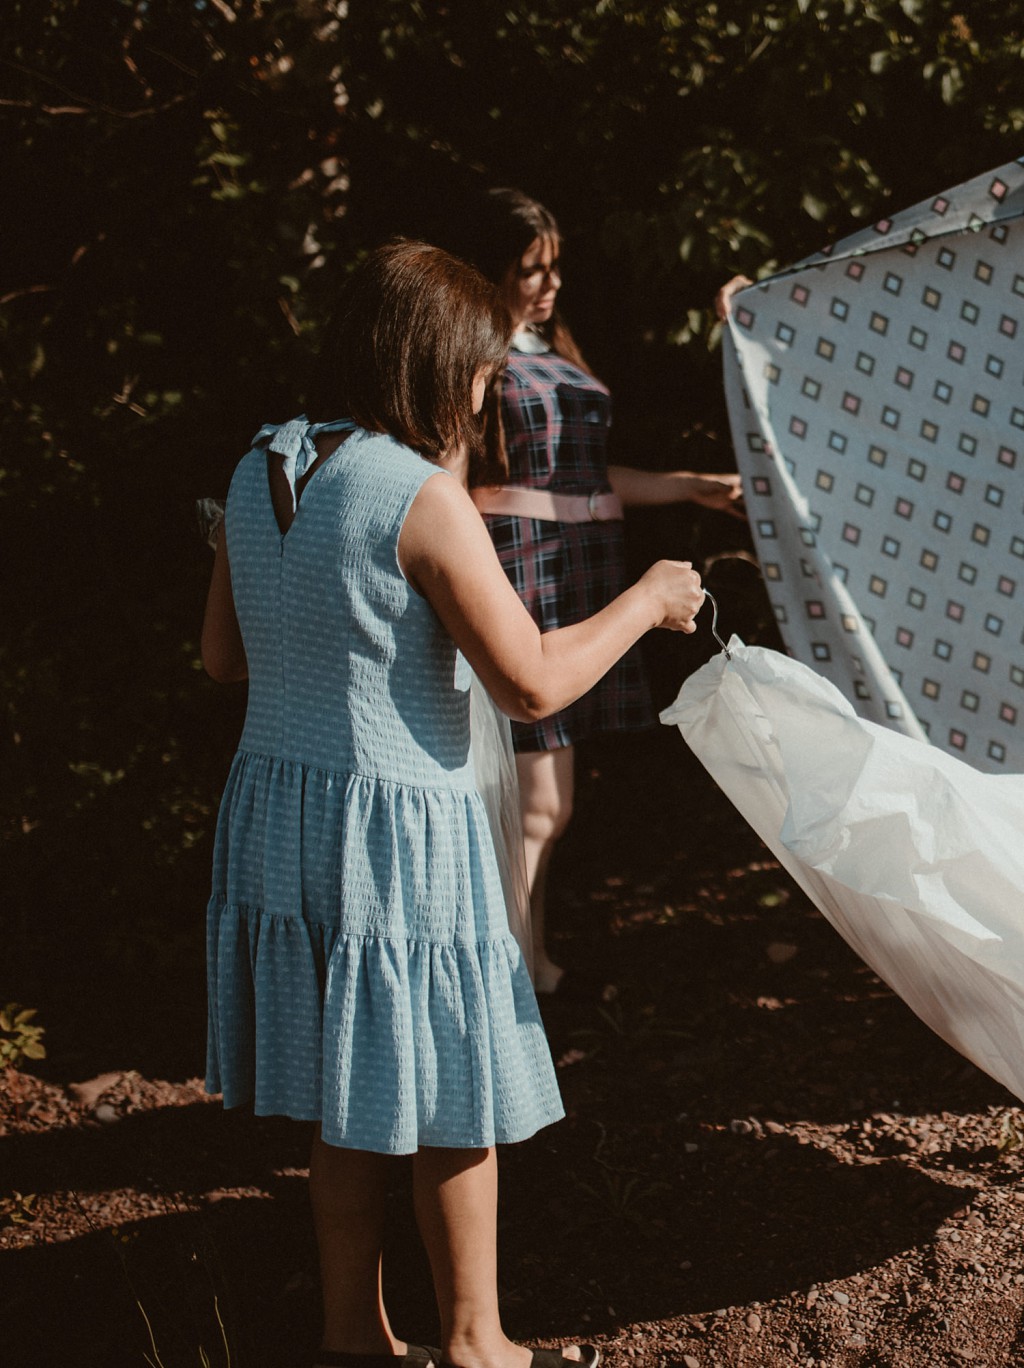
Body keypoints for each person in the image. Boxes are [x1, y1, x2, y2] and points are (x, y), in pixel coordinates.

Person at [202, 239, 704, 1367]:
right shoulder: (419, 494)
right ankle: (477, 1345)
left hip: (280, 817)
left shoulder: (257, 470)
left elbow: (222, 659)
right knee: (452, 1090)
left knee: (349, 1090)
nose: (486, 393)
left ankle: (352, 1339)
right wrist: (646, 599)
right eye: (478, 372)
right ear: (430, 363)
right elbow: (528, 680)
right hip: (398, 830)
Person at [449, 188, 742, 998]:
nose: (549, 284)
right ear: (491, 270)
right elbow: (459, 480)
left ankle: (530, 961)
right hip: (517, 571)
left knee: (543, 803)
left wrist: (691, 487)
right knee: (537, 801)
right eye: (530, 269)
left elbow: (584, 480)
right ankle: (500, 976)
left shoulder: (551, 345)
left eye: (555, 267)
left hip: (577, 571)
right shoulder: (469, 355)